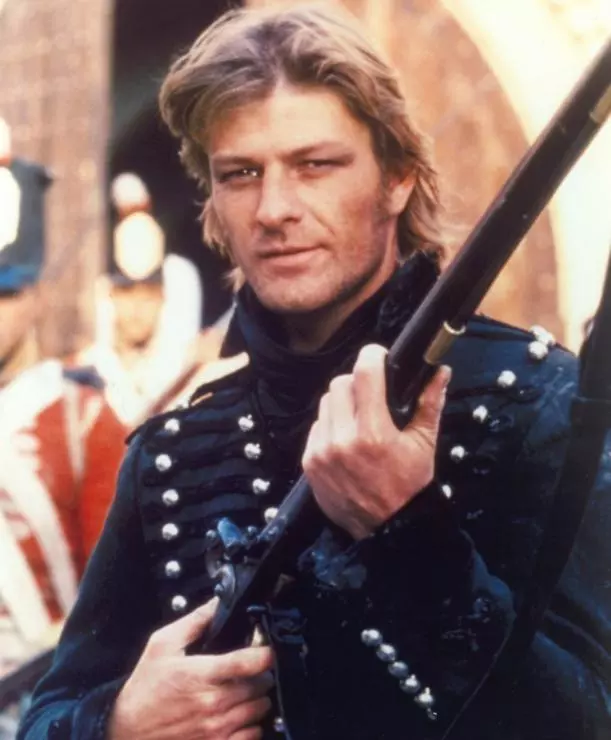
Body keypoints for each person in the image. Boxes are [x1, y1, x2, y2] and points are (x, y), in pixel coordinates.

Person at [18, 5, 611, 740]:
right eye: (241, 174)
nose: (274, 209)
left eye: (315, 165)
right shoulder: (172, 453)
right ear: (214, 202)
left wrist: (407, 532)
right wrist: (117, 724)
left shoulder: (535, 404)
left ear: (397, 179)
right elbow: (46, 714)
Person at [0, 120, 126, 686]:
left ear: (39, 295)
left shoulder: (86, 422)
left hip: (44, 695)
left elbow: (116, 603)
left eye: (5, 292)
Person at [74, 173, 223, 427]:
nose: (136, 309)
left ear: (163, 299)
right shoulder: (86, 375)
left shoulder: (188, 375)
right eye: (127, 294)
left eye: (148, 297)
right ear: (110, 296)